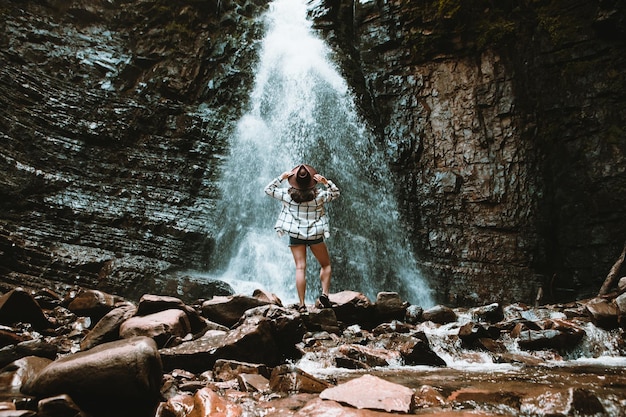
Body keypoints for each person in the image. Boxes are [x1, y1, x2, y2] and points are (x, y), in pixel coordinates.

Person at [264, 164, 340, 312]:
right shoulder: (320, 196)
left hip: (296, 235)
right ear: (312, 181)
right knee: (326, 265)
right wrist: (326, 182)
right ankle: (324, 294)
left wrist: (281, 177)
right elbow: (336, 193)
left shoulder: (287, 195)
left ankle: (301, 304)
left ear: (294, 181)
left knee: (300, 268)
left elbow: (268, 190)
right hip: (315, 235)